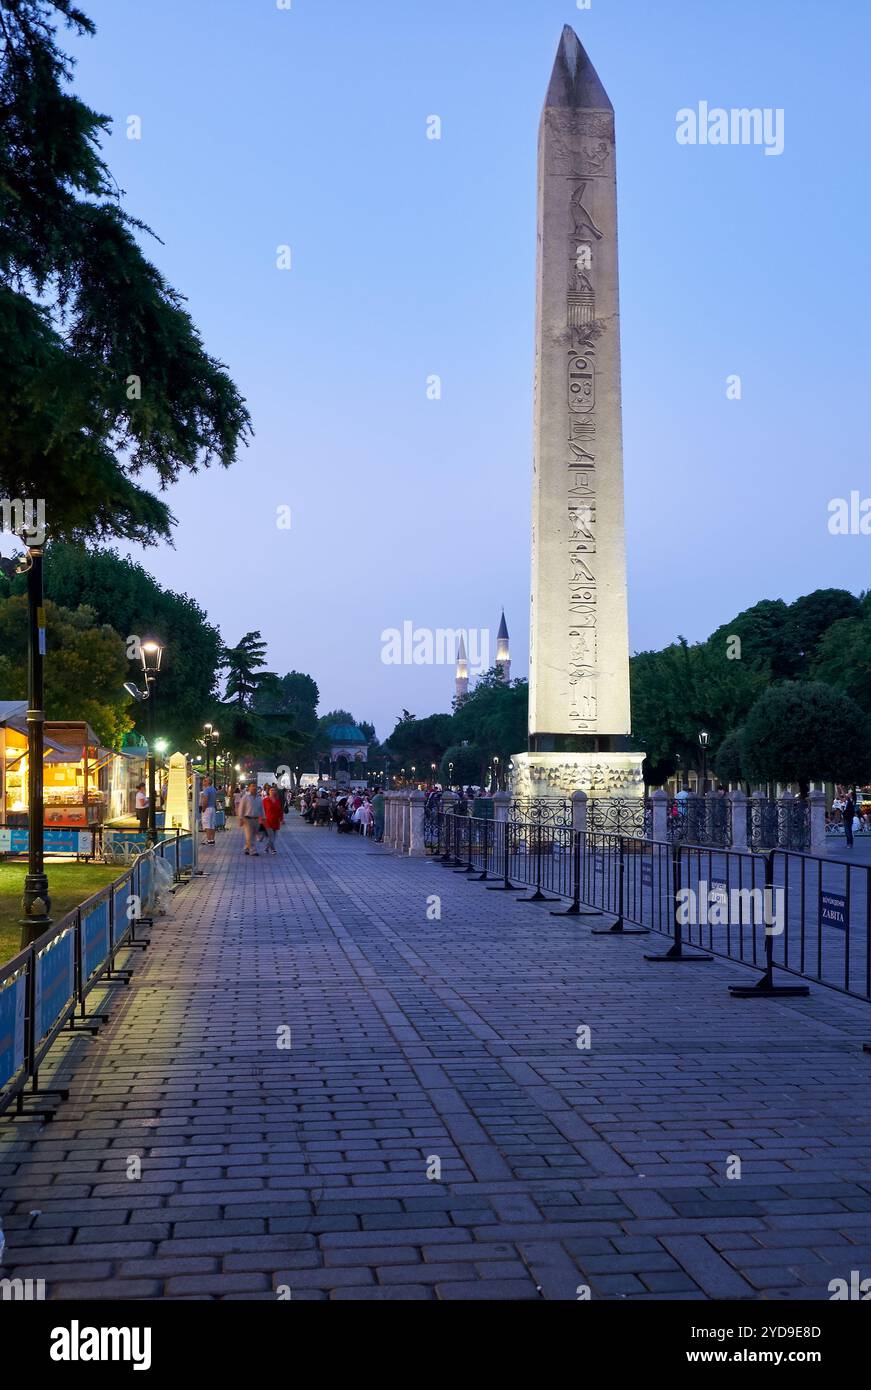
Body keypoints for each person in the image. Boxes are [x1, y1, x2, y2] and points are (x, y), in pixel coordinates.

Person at [239, 781, 264, 855]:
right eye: (252, 786)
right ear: (249, 787)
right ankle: (253, 850)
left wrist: (263, 817)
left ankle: (247, 847)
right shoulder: (245, 797)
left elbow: (262, 808)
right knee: (250, 835)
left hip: (256, 819)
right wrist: (240, 818)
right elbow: (241, 808)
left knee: (258, 834)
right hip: (247, 819)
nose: (254, 788)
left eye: (255, 786)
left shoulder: (259, 798)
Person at [261, 785, 284, 854]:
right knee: (271, 836)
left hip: (276, 820)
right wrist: (261, 819)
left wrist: (281, 819)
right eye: (271, 790)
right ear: (268, 791)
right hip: (268, 820)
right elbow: (262, 810)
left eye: (274, 790)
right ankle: (273, 849)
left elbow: (280, 810)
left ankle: (266, 848)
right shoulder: (265, 800)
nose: (272, 791)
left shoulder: (277, 801)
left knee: (274, 837)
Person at [200, 775, 217, 846]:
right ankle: (212, 840)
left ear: (208, 782)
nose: (204, 781)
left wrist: (203, 808)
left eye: (205, 780)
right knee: (212, 825)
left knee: (207, 824)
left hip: (207, 809)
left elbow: (205, 800)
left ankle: (209, 840)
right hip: (212, 808)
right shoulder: (213, 789)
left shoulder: (206, 789)